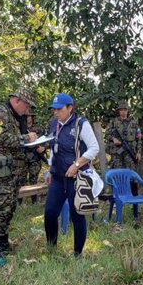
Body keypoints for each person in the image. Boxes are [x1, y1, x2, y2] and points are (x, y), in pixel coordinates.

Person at [0, 86, 38, 266]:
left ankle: (3, 243)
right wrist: (26, 139)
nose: (27, 110)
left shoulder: (14, 115)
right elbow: (1, 138)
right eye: (26, 105)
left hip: (13, 171)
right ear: (17, 100)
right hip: (2, 171)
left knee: (9, 207)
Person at [44, 93, 99, 257]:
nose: (56, 113)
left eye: (59, 109)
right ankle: (52, 247)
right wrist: (49, 169)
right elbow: (54, 148)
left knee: (77, 214)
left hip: (77, 177)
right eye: (54, 109)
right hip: (58, 176)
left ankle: (77, 253)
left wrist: (76, 165)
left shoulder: (81, 124)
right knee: (50, 212)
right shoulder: (54, 123)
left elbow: (94, 148)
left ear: (70, 108)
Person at [106, 101, 142, 169]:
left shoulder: (134, 123)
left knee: (131, 172)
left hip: (130, 151)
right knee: (118, 172)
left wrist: (138, 152)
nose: (123, 112)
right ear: (118, 111)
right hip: (117, 152)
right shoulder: (113, 122)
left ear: (128, 111)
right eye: (121, 110)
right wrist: (113, 139)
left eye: (125, 110)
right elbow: (107, 134)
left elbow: (139, 138)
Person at [23, 111, 47, 204]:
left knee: (33, 180)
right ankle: (20, 202)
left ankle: (34, 201)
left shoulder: (39, 128)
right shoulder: (20, 127)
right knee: (21, 180)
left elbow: (45, 140)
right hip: (23, 158)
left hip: (35, 158)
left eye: (29, 116)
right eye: (25, 116)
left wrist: (43, 147)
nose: (27, 118)